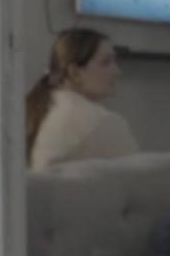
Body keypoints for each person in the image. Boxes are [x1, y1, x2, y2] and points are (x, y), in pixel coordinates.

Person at [26, 27, 138, 170]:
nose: (117, 72)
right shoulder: (105, 122)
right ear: (75, 73)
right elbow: (139, 185)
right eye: (106, 62)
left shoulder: (40, 107)